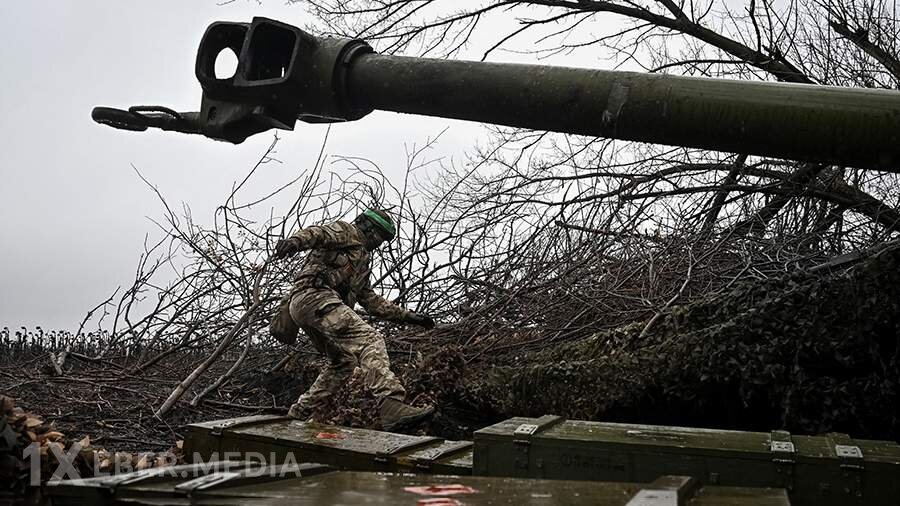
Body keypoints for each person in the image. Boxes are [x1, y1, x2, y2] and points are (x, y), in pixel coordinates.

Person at [271, 209, 436, 431]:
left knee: (343, 362)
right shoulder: (347, 231)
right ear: (367, 227)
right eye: (379, 235)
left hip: (311, 306)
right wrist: (294, 242)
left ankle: (300, 413)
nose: (379, 243)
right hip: (314, 297)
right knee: (370, 340)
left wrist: (406, 316)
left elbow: (369, 299)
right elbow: (318, 233)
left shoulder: (361, 262)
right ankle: (390, 403)